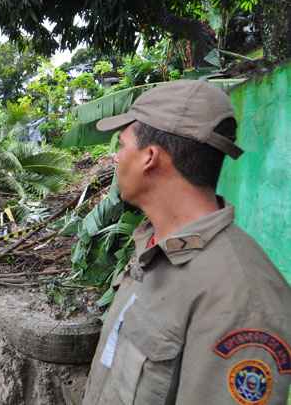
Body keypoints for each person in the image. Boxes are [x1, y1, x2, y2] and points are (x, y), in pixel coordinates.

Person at [82, 80, 291, 405]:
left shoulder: (243, 301)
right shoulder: (153, 247)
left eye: (121, 145)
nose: (115, 158)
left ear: (149, 157)